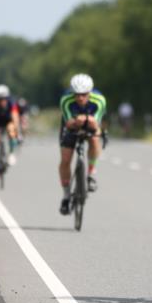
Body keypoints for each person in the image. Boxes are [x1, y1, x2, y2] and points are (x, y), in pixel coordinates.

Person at [58, 73, 107, 215]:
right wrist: (78, 121)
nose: (80, 98)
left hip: (90, 124)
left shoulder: (99, 100)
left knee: (95, 138)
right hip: (70, 126)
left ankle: (91, 173)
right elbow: (68, 123)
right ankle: (66, 196)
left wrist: (85, 119)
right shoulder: (65, 100)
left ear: (90, 92)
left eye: (84, 94)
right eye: (77, 94)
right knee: (65, 160)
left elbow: (95, 124)